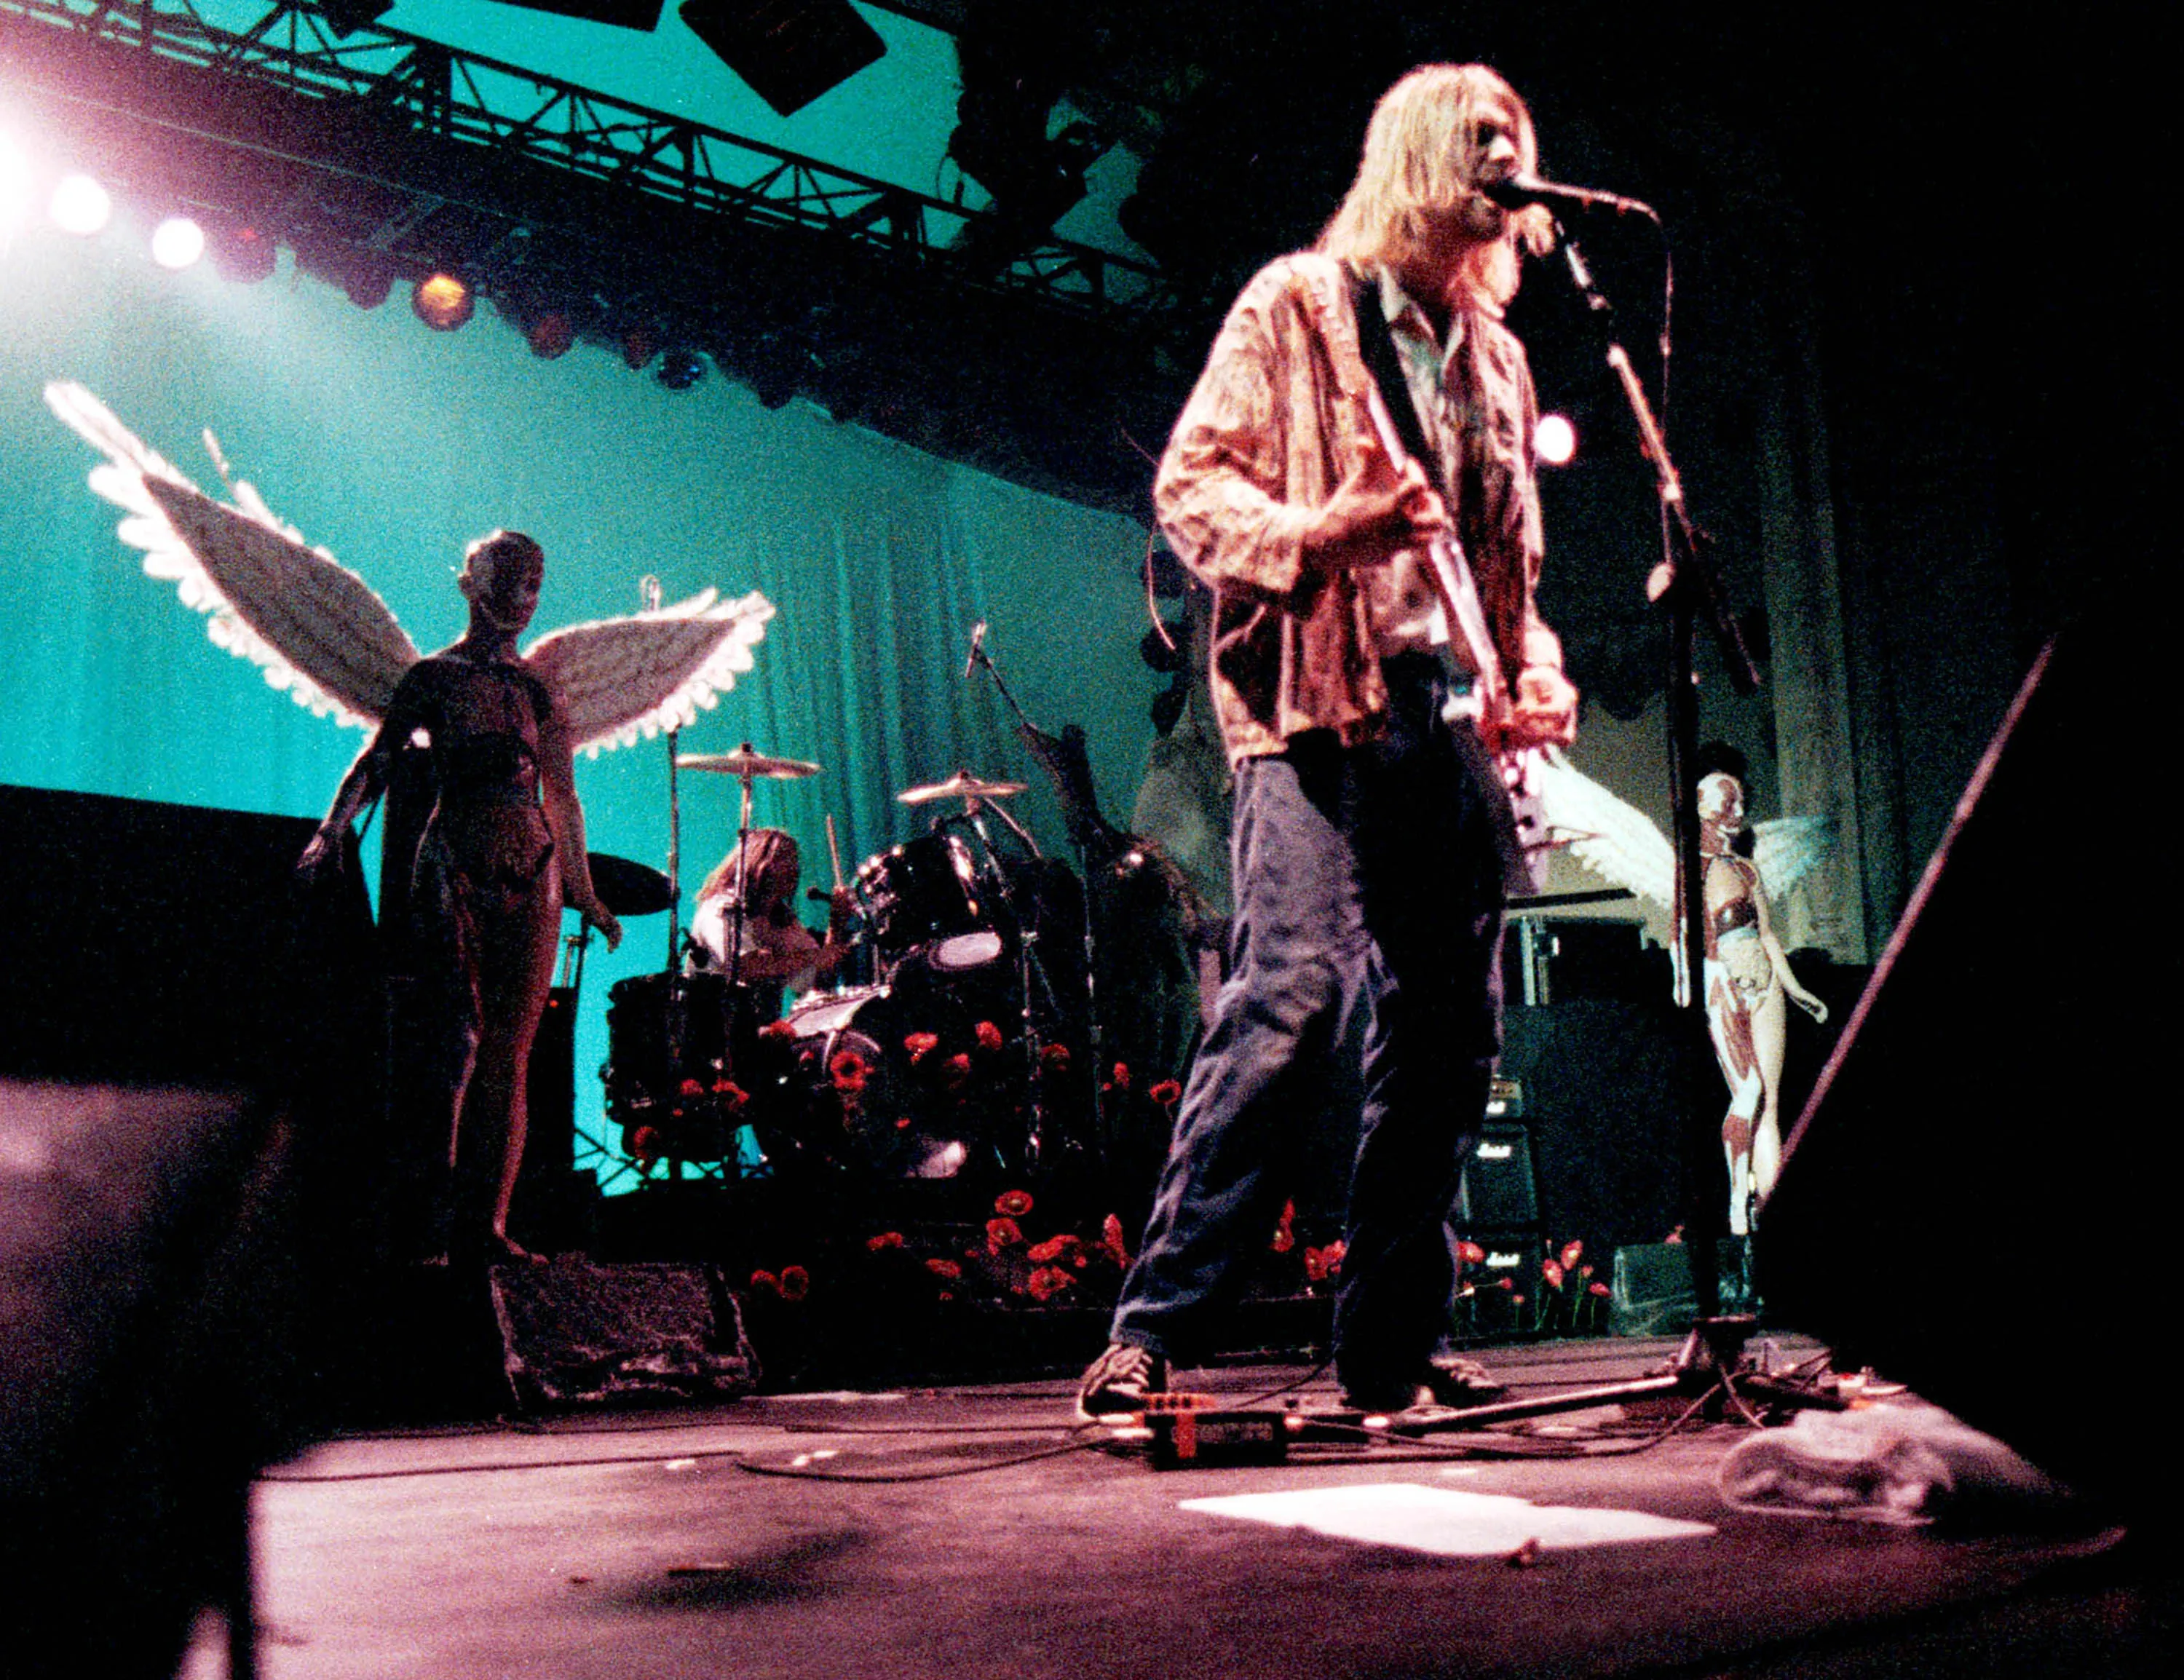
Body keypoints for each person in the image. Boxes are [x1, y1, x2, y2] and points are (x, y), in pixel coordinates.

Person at [1078, 63, 1580, 1416]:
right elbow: (1192, 489)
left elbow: (1510, 576)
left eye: (1515, 142)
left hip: (1439, 713)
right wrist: (1319, 537)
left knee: (1448, 1034)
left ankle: (1388, 1344)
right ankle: (1156, 1326)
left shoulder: (1498, 356)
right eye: (1479, 139)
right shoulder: (1299, 306)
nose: (1502, 161)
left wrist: (1534, 673)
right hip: (1304, 699)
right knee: (1290, 996)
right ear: (1418, 157)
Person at [298, 531, 622, 1264]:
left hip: (532, 854)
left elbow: (565, 799)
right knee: (453, 1041)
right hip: (457, 856)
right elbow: (376, 760)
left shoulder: (539, 692)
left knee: (512, 1048)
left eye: (535, 580)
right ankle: (430, 1221)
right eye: (508, 576)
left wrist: (585, 890)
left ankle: (487, 1225)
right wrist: (333, 828)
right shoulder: (433, 677)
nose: (523, 595)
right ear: (471, 582)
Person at [1696, 756, 1829, 1240]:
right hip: (1724, 983)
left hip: (1766, 981)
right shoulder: (1693, 869)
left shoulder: (1747, 868)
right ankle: (1739, 1207)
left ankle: (1775, 1225)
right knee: (1746, 1094)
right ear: (1703, 807)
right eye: (1727, 800)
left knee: (1769, 1105)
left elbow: (1768, 934)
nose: (1738, 809)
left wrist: (1797, 990)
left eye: (1741, 802)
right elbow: (1684, 936)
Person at [689, 828, 853, 1021]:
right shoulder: (721, 908)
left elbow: (816, 984)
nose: (794, 867)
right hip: (714, 1030)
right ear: (756, 862)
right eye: (783, 858)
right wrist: (815, 956)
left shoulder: (780, 917)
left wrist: (836, 928)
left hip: (760, 1031)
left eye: (795, 859)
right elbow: (745, 967)